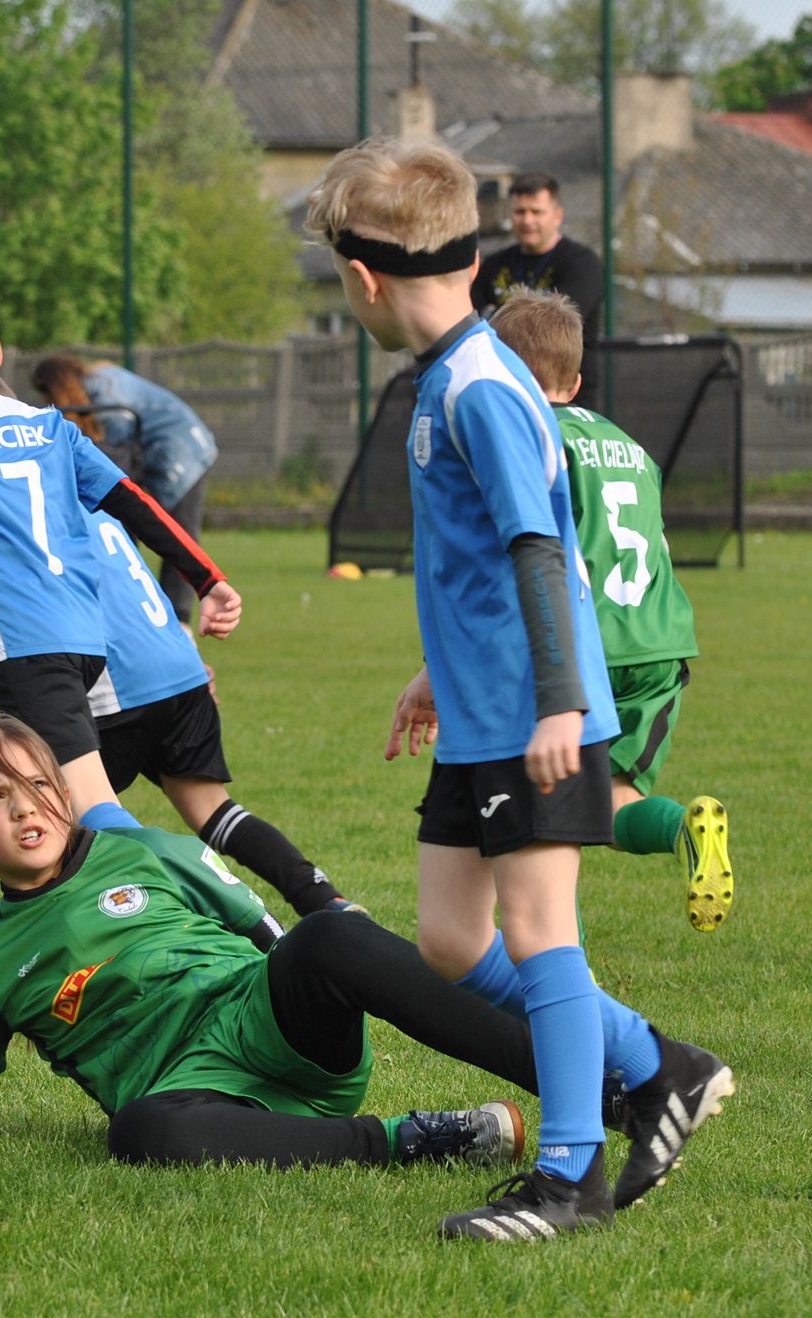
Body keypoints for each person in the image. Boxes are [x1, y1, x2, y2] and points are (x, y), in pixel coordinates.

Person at [307, 137, 732, 1241]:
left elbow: (540, 548)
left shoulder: (482, 386)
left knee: (541, 932)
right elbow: (478, 558)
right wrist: (430, 671)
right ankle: (662, 1066)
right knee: (452, 940)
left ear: (362, 278)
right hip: (481, 708)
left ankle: (569, 1178)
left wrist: (554, 704)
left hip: (530, 716)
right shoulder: (450, 374)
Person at [0, 716, 541, 1170]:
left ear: (63, 791)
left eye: (35, 786)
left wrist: (318, 963)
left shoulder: (143, 849)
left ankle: (582, 1077)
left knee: (330, 935)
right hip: (195, 1098)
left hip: (272, 1029)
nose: (24, 808)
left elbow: (277, 941)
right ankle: (418, 1140)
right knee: (140, 1131)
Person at [0, 270, 240, 835]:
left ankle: (229, 913)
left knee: (97, 819)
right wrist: (208, 579)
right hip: (85, 641)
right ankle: (34, 912)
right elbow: (136, 503)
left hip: (26, 648)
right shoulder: (49, 425)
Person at [486, 291, 733, 933]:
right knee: (613, 795)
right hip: (659, 646)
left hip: (580, 651)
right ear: (574, 380)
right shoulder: (631, 446)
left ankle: (520, 926)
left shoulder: (528, 445)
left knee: (553, 801)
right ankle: (681, 825)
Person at [81, 506, 361, 918]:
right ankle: (322, 898)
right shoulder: (107, 510)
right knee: (216, 811)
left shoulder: (37, 511)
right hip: (181, 669)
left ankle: (191, 922)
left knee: (61, 829)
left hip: (116, 687)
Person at [32, 356, 218, 627]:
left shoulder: (106, 397)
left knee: (174, 534)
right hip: (183, 445)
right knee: (149, 530)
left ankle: (178, 624)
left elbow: (114, 460)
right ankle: (151, 617)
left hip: (183, 452)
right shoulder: (100, 381)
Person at [470, 173, 606, 411]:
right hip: (505, 397)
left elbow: (552, 329)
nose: (527, 220)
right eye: (519, 212)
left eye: (536, 212)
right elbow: (470, 322)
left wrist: (495, 318)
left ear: (557, 216)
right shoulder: (493, 264)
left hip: (565, 402)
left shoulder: (582, 264)